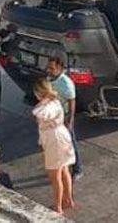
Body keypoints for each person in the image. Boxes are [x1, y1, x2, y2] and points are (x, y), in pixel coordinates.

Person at [32, 78, 76, 215]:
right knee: (64, 170)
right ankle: (68, 199)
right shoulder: (55, 101)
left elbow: (37, 112)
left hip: (54, 140)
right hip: (61, 135)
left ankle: (58, 206)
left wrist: (43, 100)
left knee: (55, 175)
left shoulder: (46, 106)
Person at [46, 56, 83, 180]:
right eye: (48, 67)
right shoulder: (49, 79)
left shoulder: (66, 83)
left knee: (70, 143)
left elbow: (72, 101)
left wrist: (70, 120)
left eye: (52, 68)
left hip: (64, 117)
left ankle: (77, 169)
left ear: (60, 68)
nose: (49, 70)